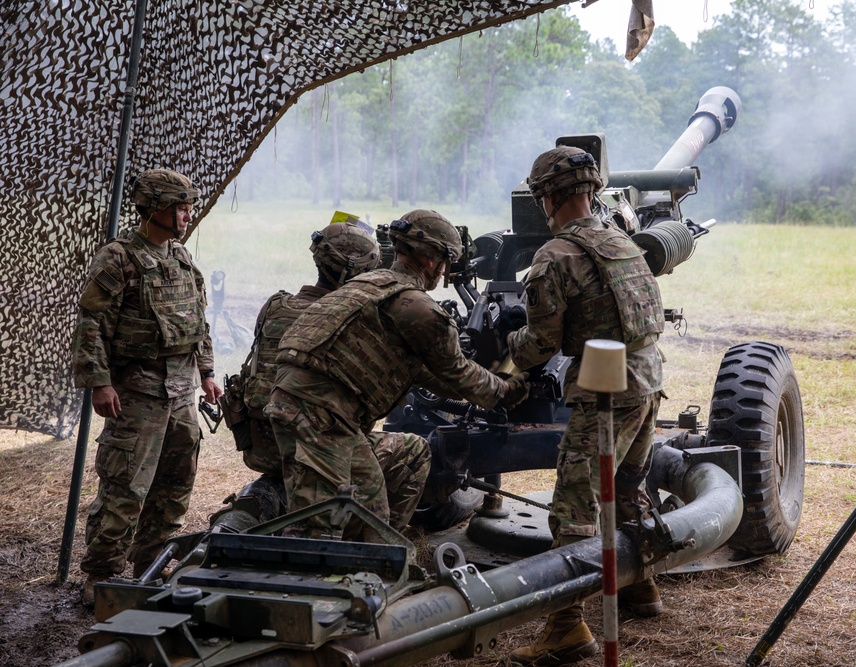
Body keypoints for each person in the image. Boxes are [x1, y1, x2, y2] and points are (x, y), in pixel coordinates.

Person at [266, 209, 530, 540]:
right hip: (320, 413)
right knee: (325, 524)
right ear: (432, 260)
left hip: (316, 408)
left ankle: (376, 565)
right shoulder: (417, 308)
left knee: (383, 494)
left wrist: (482, 386)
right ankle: (326, 577)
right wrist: (505, 389)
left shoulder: (367, 284)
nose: (445, 270)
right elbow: (458, 373)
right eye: (445, 260)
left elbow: (428, 375)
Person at [503, 146, 667, 666]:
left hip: (605, 393)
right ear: (590, 190)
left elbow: (540, 345)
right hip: (647, 378)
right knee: (628, 487)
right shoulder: (621, 240)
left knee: (574, 509)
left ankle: (567, 626)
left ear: (547, 197)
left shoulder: (555, 257)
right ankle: (642, 588)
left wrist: (506, 348)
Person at [71, 168, 222, 607]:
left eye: (188, 206)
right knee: (125, 490)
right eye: (179, 206)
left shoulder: (182, 257)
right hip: (135, 389)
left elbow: (199, 322)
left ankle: (150, 564)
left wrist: (207, 373)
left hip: (180, 392)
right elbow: (91, 323)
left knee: (175, 485)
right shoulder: (118, 257)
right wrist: (99, 382)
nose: (186, 214)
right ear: (154, 207)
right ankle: (100, 575)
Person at [221, 220, 431, 531]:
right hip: (316, 447)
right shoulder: (352, 321)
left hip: (262, 447)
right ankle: (374, 540)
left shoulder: (275, 305)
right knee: (417, 451)